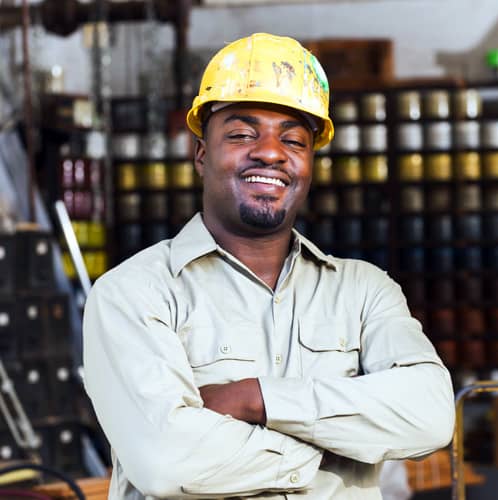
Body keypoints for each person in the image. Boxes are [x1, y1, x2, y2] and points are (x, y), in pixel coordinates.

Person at [83, 32, 455, 499]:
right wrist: (339, 449)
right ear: (201, 154)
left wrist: (257, 398)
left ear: (309, 163)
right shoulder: (135, 294)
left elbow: (432, 417)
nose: (270, 152)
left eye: (294, 140)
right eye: (242, 134)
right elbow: (168, 463)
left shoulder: (365, 292)